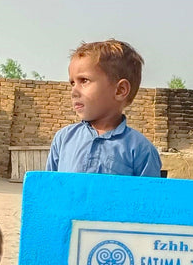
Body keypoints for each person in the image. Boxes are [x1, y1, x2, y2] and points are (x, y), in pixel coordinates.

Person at [46, 38, 162, 176]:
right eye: (72, 83)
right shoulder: (64, 139)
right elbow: (48, 192)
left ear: (120, 90)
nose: (74, 91)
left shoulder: (140, 150)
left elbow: (147, 196)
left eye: (84, 81)